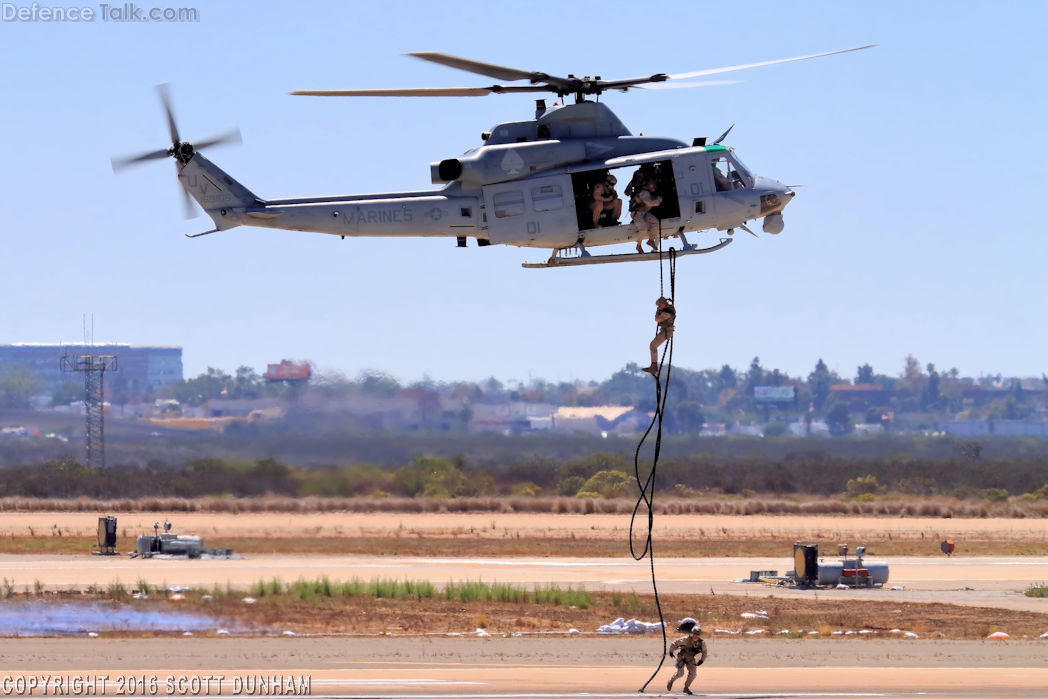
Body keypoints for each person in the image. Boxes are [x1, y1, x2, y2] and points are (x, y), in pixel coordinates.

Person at [666, 623, 708, 695]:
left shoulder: (701, 643)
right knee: (680, 674)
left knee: (693, 674)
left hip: (691, 659)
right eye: (694, 634)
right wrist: (671, 651)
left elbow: (704, 652)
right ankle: (671, 681)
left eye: (698, 634)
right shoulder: (686, 640)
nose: (696, 636)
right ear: (692, 633)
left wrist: (702, 660)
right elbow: (674, 643)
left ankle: (686, 688)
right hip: (682, 657)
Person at [642, 296, 675, 375]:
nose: (659, 307)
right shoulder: (667, 309)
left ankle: (654, 367)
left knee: (653, 346)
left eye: (660, 306)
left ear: (664, 304)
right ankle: (653, 366)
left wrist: (657, 312)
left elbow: (657, 319)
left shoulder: (666, 313)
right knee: (652, 346)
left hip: (666, 332)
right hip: (664, 331)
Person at [629, 177, 662, 252]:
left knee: (655, 222)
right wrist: (659, 201)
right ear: (650, 185)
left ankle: (651, 240)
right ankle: (638, 245)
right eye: (654, 186)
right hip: (637, 213)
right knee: (643, 229)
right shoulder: (644, 193)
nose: (655, 188)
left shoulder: (648, 193)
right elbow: (649, 202)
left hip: (644, 212)